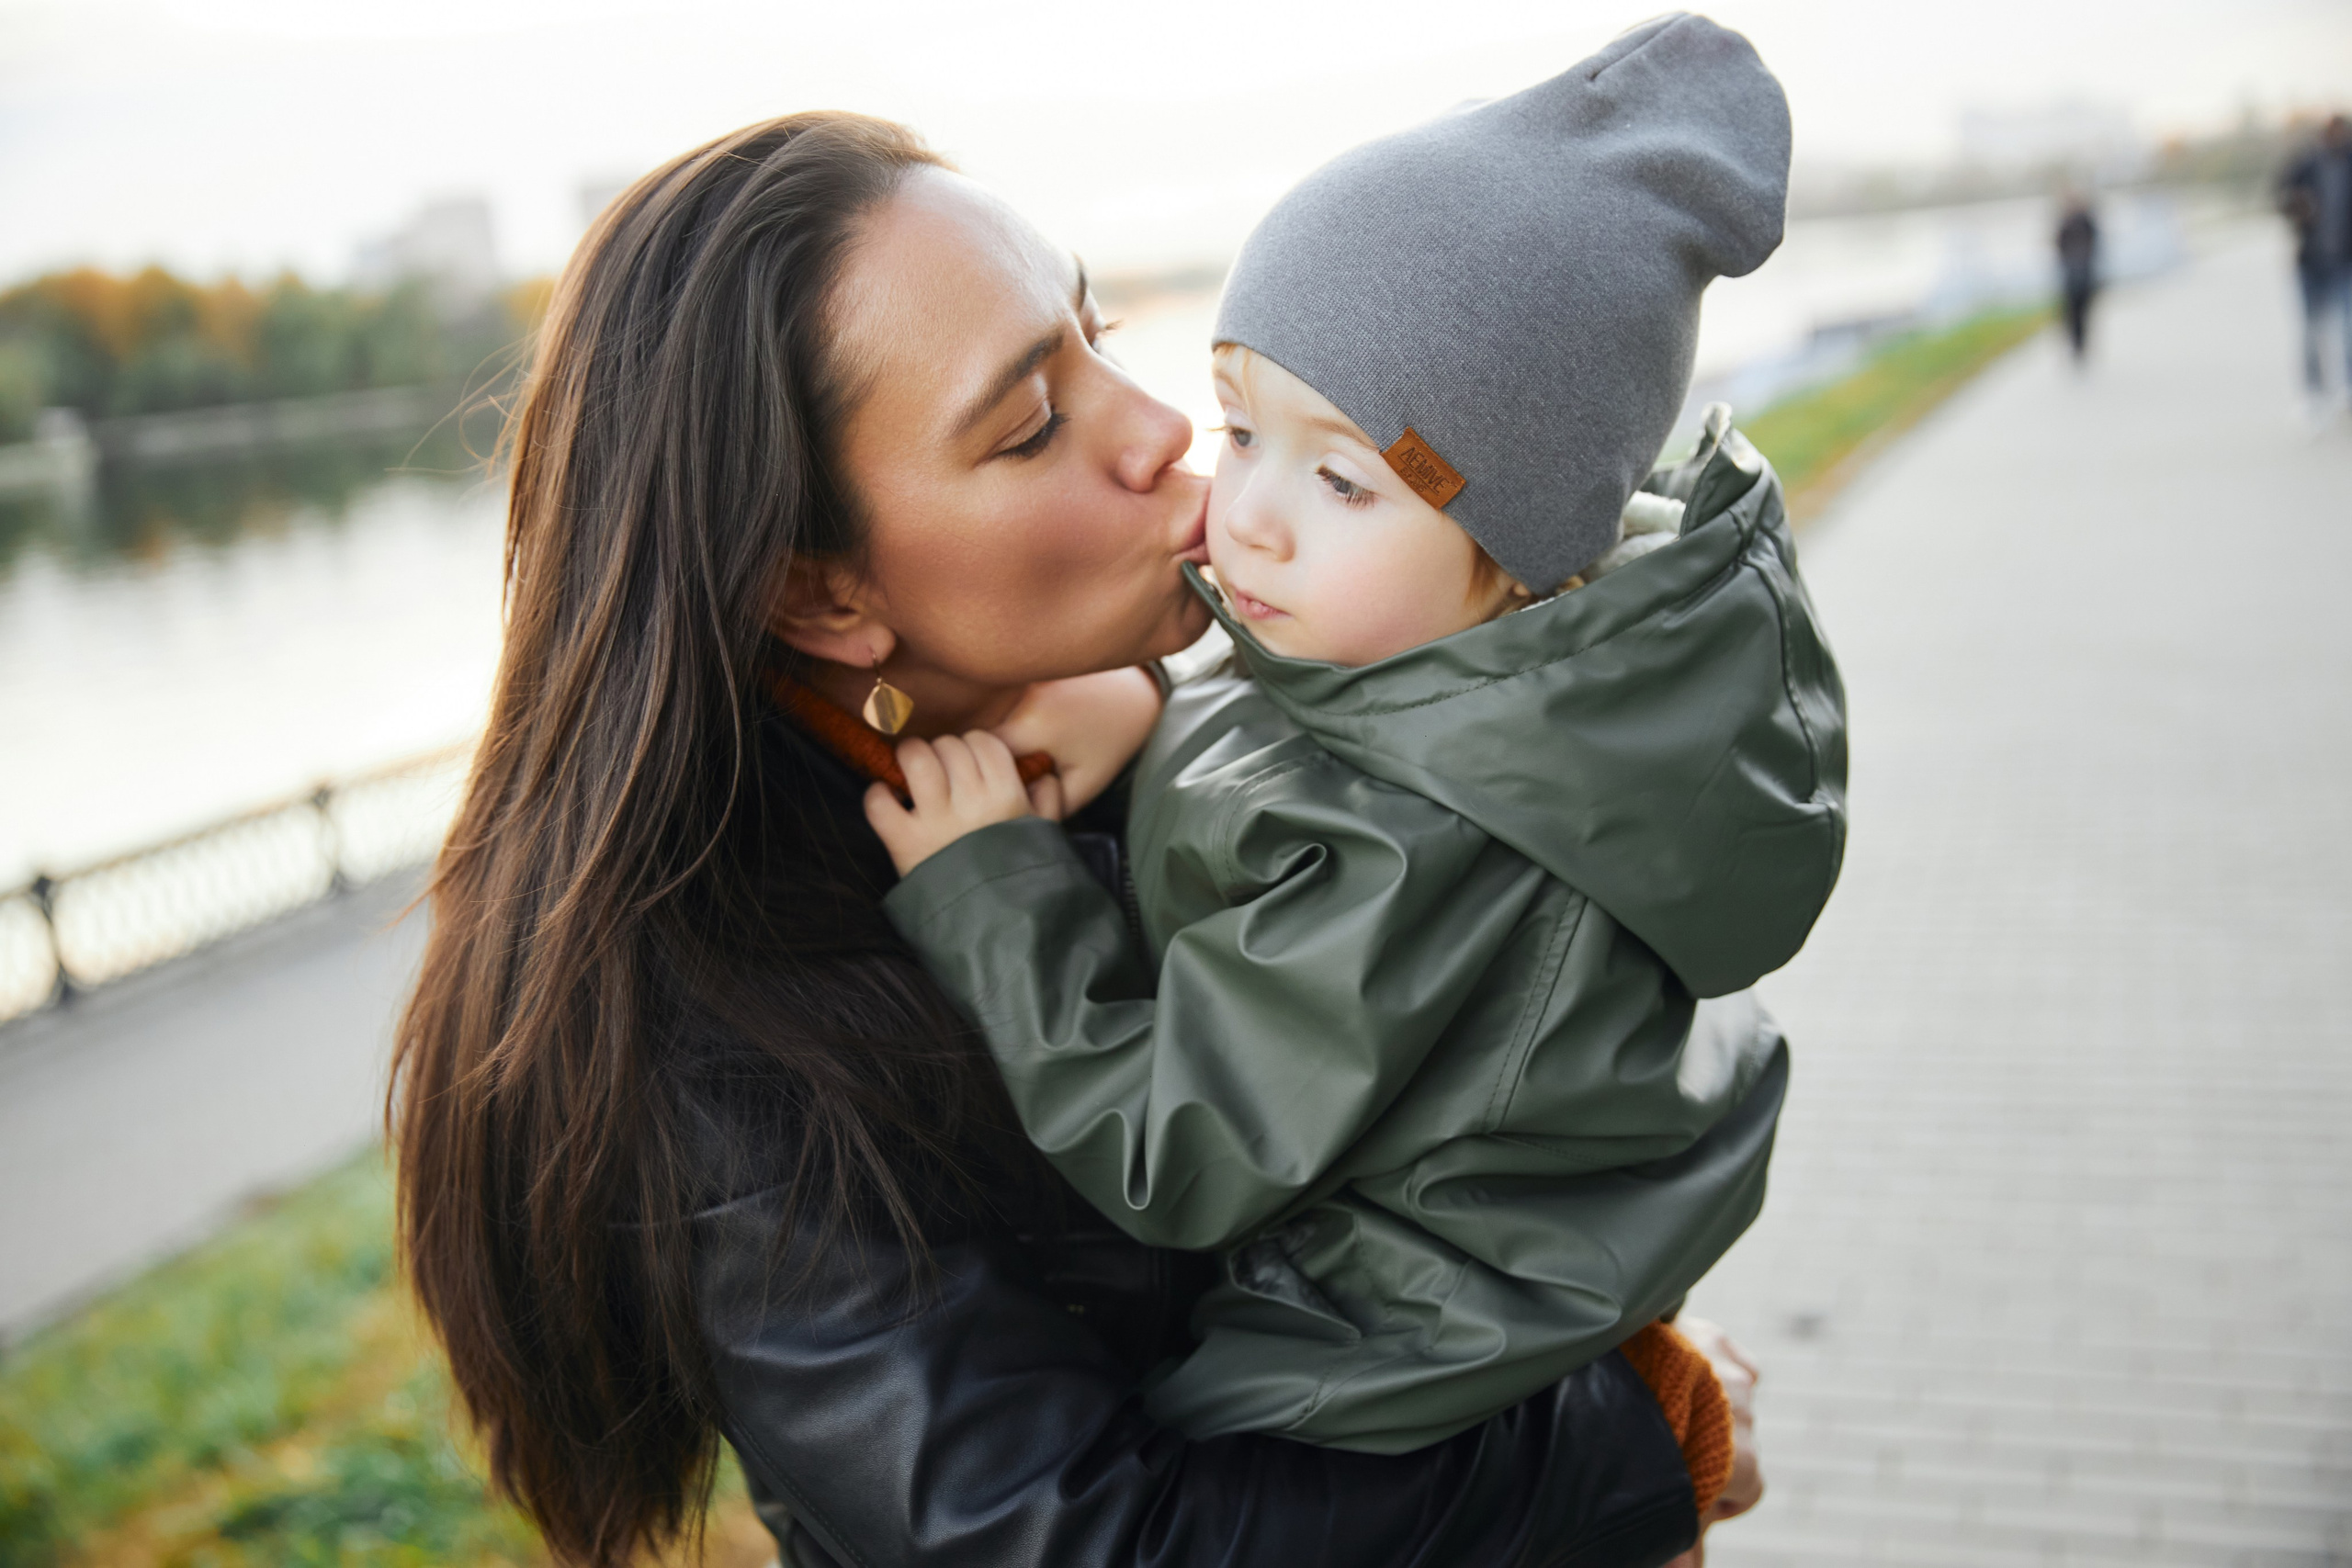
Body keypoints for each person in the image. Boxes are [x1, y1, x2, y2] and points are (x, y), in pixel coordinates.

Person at [390, 109, 1753, 1568]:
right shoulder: (722, 1032)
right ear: (824, 596)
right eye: (1032, 420)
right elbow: (1080, 1539)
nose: (1161, 426)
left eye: (1095, 333)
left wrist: (1166, 707)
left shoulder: (1155, 724)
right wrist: (1624, 1434)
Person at [865, 11, 1837, 1548]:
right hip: (1500, 1312)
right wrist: (1159, 713)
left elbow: (1180, 1148)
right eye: (1242, 422)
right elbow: (1358, 700)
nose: (1240, 511)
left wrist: (991, 889)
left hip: (1380, 1375)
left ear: (1520, 551)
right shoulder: (1494, 678)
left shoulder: (1403, 844)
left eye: (1338, 477)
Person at [2279, 113, 2352, 412]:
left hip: (2345, 262)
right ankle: (2314, 394)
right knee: (2311, 332)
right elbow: (2279, 198)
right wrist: (2298, 205)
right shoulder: (2304, 164)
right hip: (2310, 263)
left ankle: (2347, 390)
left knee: (2348, 329)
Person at [2055, 195, 2100, 362]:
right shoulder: (2083, 222)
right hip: (2079, 275)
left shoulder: (2074, 222)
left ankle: (2078, 344)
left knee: (2076, 313)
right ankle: (2079, 344)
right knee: (2079, 313)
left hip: (2078, 275)